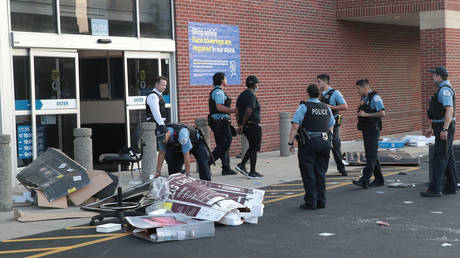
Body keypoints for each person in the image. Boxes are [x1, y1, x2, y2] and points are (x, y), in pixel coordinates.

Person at [288, 83, 334, 210]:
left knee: (308, 172)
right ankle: (321, 201)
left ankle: (311, 202)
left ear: (308, 93)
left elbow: (295, 126)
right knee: (321, 172)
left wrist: (290, 143)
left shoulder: (304, 106)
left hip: (309, 143)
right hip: (325, 142)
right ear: (319, 94)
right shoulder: (326, 107)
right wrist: (329, 139)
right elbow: (331, 125)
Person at [422, 66, 457, 197]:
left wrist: (444, 129)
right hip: (441, 125)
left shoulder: (445, 90)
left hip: (444, 126)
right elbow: (438, 112)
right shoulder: (443, 89)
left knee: (440, 156)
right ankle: (451, 186)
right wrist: (432, 126)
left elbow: (449, 110)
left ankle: (435, 189)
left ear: (439, 76)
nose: (432, 77)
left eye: (434, 75)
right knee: (448, 156)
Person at [352, 79, 385, 189]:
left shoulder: (375, 97)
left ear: (365, 88)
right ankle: (379, 179)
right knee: (372, 155)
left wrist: (366, 114)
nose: (357, 91)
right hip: (366, 129)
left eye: (358, 88)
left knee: (370, 155)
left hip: (373, 129)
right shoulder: (364, 98)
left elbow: (382, 113)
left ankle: (364, 180)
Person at [317, 74, 348, 176]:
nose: (318, 84)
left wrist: (331, 107)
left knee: (335, 145)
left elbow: (344, 106)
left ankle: (341, 168)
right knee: (321, 146)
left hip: (332, 123)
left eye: (319, 81)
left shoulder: (335, 93)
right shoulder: (319, 94)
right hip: (321, 124)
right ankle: (321, 169)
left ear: (325, 82)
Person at [234, 75, 264, 179]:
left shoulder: (241, 95)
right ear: (253, 84)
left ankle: (242, 165)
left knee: (252, 147)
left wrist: (240, 125)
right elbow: (248, 110)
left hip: (246, 126)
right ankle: (252, 171)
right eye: (257, 83)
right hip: (252, 124)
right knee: (254, 148)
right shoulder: (251, 95)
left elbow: (237, 112)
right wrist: (242, 124)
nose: (257, 85)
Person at [208, 72, 237, 176]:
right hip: (220, 122)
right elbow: (219, 107)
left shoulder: (217, 91)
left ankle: (226, 168)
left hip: (219, 122)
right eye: (225, 78)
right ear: (221, 80)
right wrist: (233, 111)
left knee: (222, 144)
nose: (226, 80)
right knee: (224, 144)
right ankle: (207, 163)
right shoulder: (219, 93)